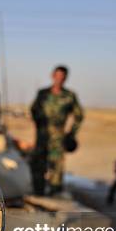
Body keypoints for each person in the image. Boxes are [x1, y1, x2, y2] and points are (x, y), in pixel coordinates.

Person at [30, 65, 84, 196]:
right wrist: (39, 123)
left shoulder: (69, 96)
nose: (59, 79)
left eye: (62, 77)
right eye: (57, 76)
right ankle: (39, 193)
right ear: (52, 76)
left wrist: (71, 134)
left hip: (58, 138)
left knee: (57, 168)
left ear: (65, 78)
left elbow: (79, 115)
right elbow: (33, 110)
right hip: (42, 136)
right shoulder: (42, 94)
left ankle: (54, 195)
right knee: (38, 165)